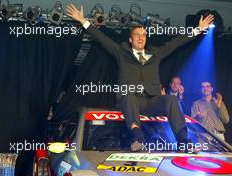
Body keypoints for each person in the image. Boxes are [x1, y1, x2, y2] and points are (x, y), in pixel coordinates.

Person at [66, 4, 214, 151]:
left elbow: (176, 43)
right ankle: (137, 137)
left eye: (143, 35)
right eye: (137, 35)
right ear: (130, 40)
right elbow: (102, 39)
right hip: (130, 101)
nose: (141, 37)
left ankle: (183, 141)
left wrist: (198, 29)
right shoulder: (121, 53)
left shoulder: (155, 54)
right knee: (128, 94)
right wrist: (82, 20)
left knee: (171, 99)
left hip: (151, 102)